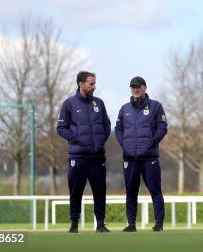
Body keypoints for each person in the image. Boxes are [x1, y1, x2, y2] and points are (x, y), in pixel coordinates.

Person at [57, 71, 111, 233]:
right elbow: (61, 128)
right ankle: (74, 225)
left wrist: (101, 139)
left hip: (97, 157)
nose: (94, 86)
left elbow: (107, 125)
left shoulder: (99, 103)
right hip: (78, 157)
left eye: (94, 83)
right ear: (81, 84)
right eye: (91, 83)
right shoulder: (69, 104)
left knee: (100, 192)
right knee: (75, 192)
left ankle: (100, 224)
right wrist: (75, 138)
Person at [115, 76, 168, 232]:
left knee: (156, 191)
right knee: (131, 192)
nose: (135, 89)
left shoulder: (156, 107)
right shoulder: (124, 109)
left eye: (138, 86)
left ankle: (159, 225)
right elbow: (118, 129)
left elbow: (162, 127)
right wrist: (124, 144)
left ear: (145, 87)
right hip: (130, 158)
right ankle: (131, 224)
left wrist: (152, 142)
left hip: (149, 158)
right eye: (132, 87)